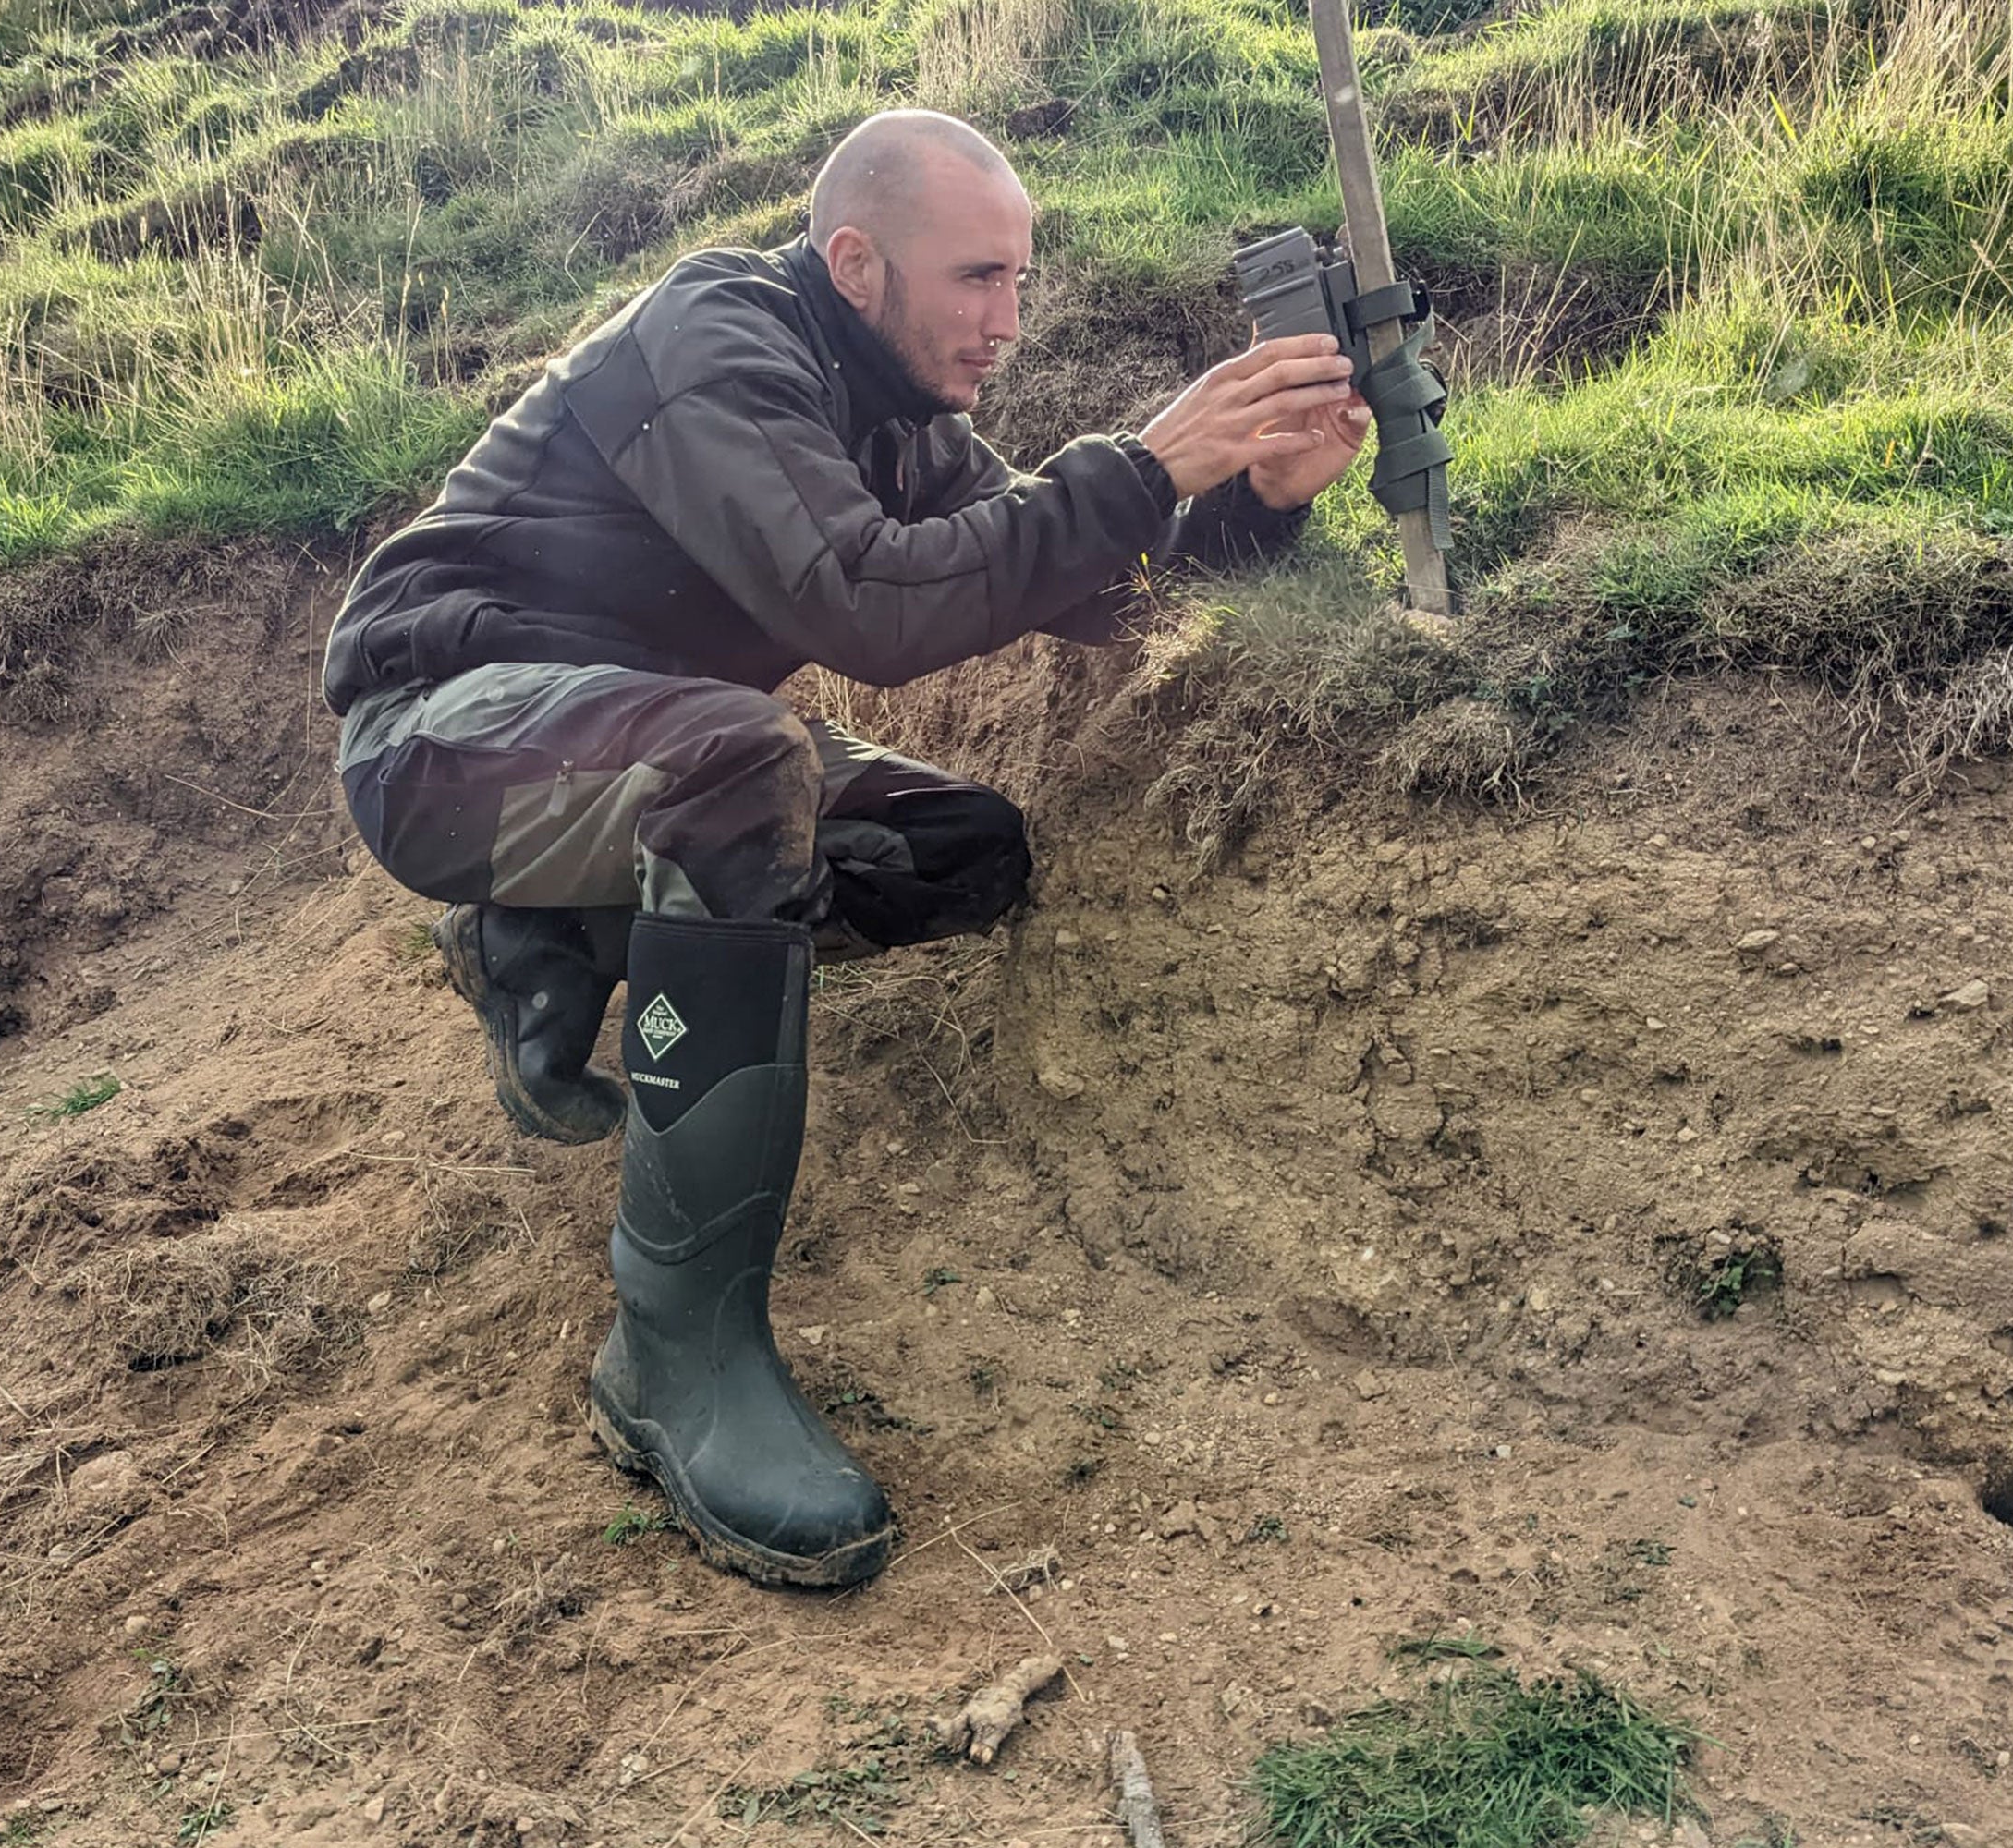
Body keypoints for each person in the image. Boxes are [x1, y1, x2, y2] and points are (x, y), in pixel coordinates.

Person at [323, 109, 1370, 1589]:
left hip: (637, 740)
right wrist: (1141, 462)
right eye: (978, 280)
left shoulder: (906, 417)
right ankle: (672, 1351)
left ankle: (547, 932)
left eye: (1021, 279)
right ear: (857, 261)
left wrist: (1256, 508)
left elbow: (1081, 583)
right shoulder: (719, 335)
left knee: (958, 846)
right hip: (441, 730)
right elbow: (863, 609)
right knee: (747, 761)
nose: (1010, 319)